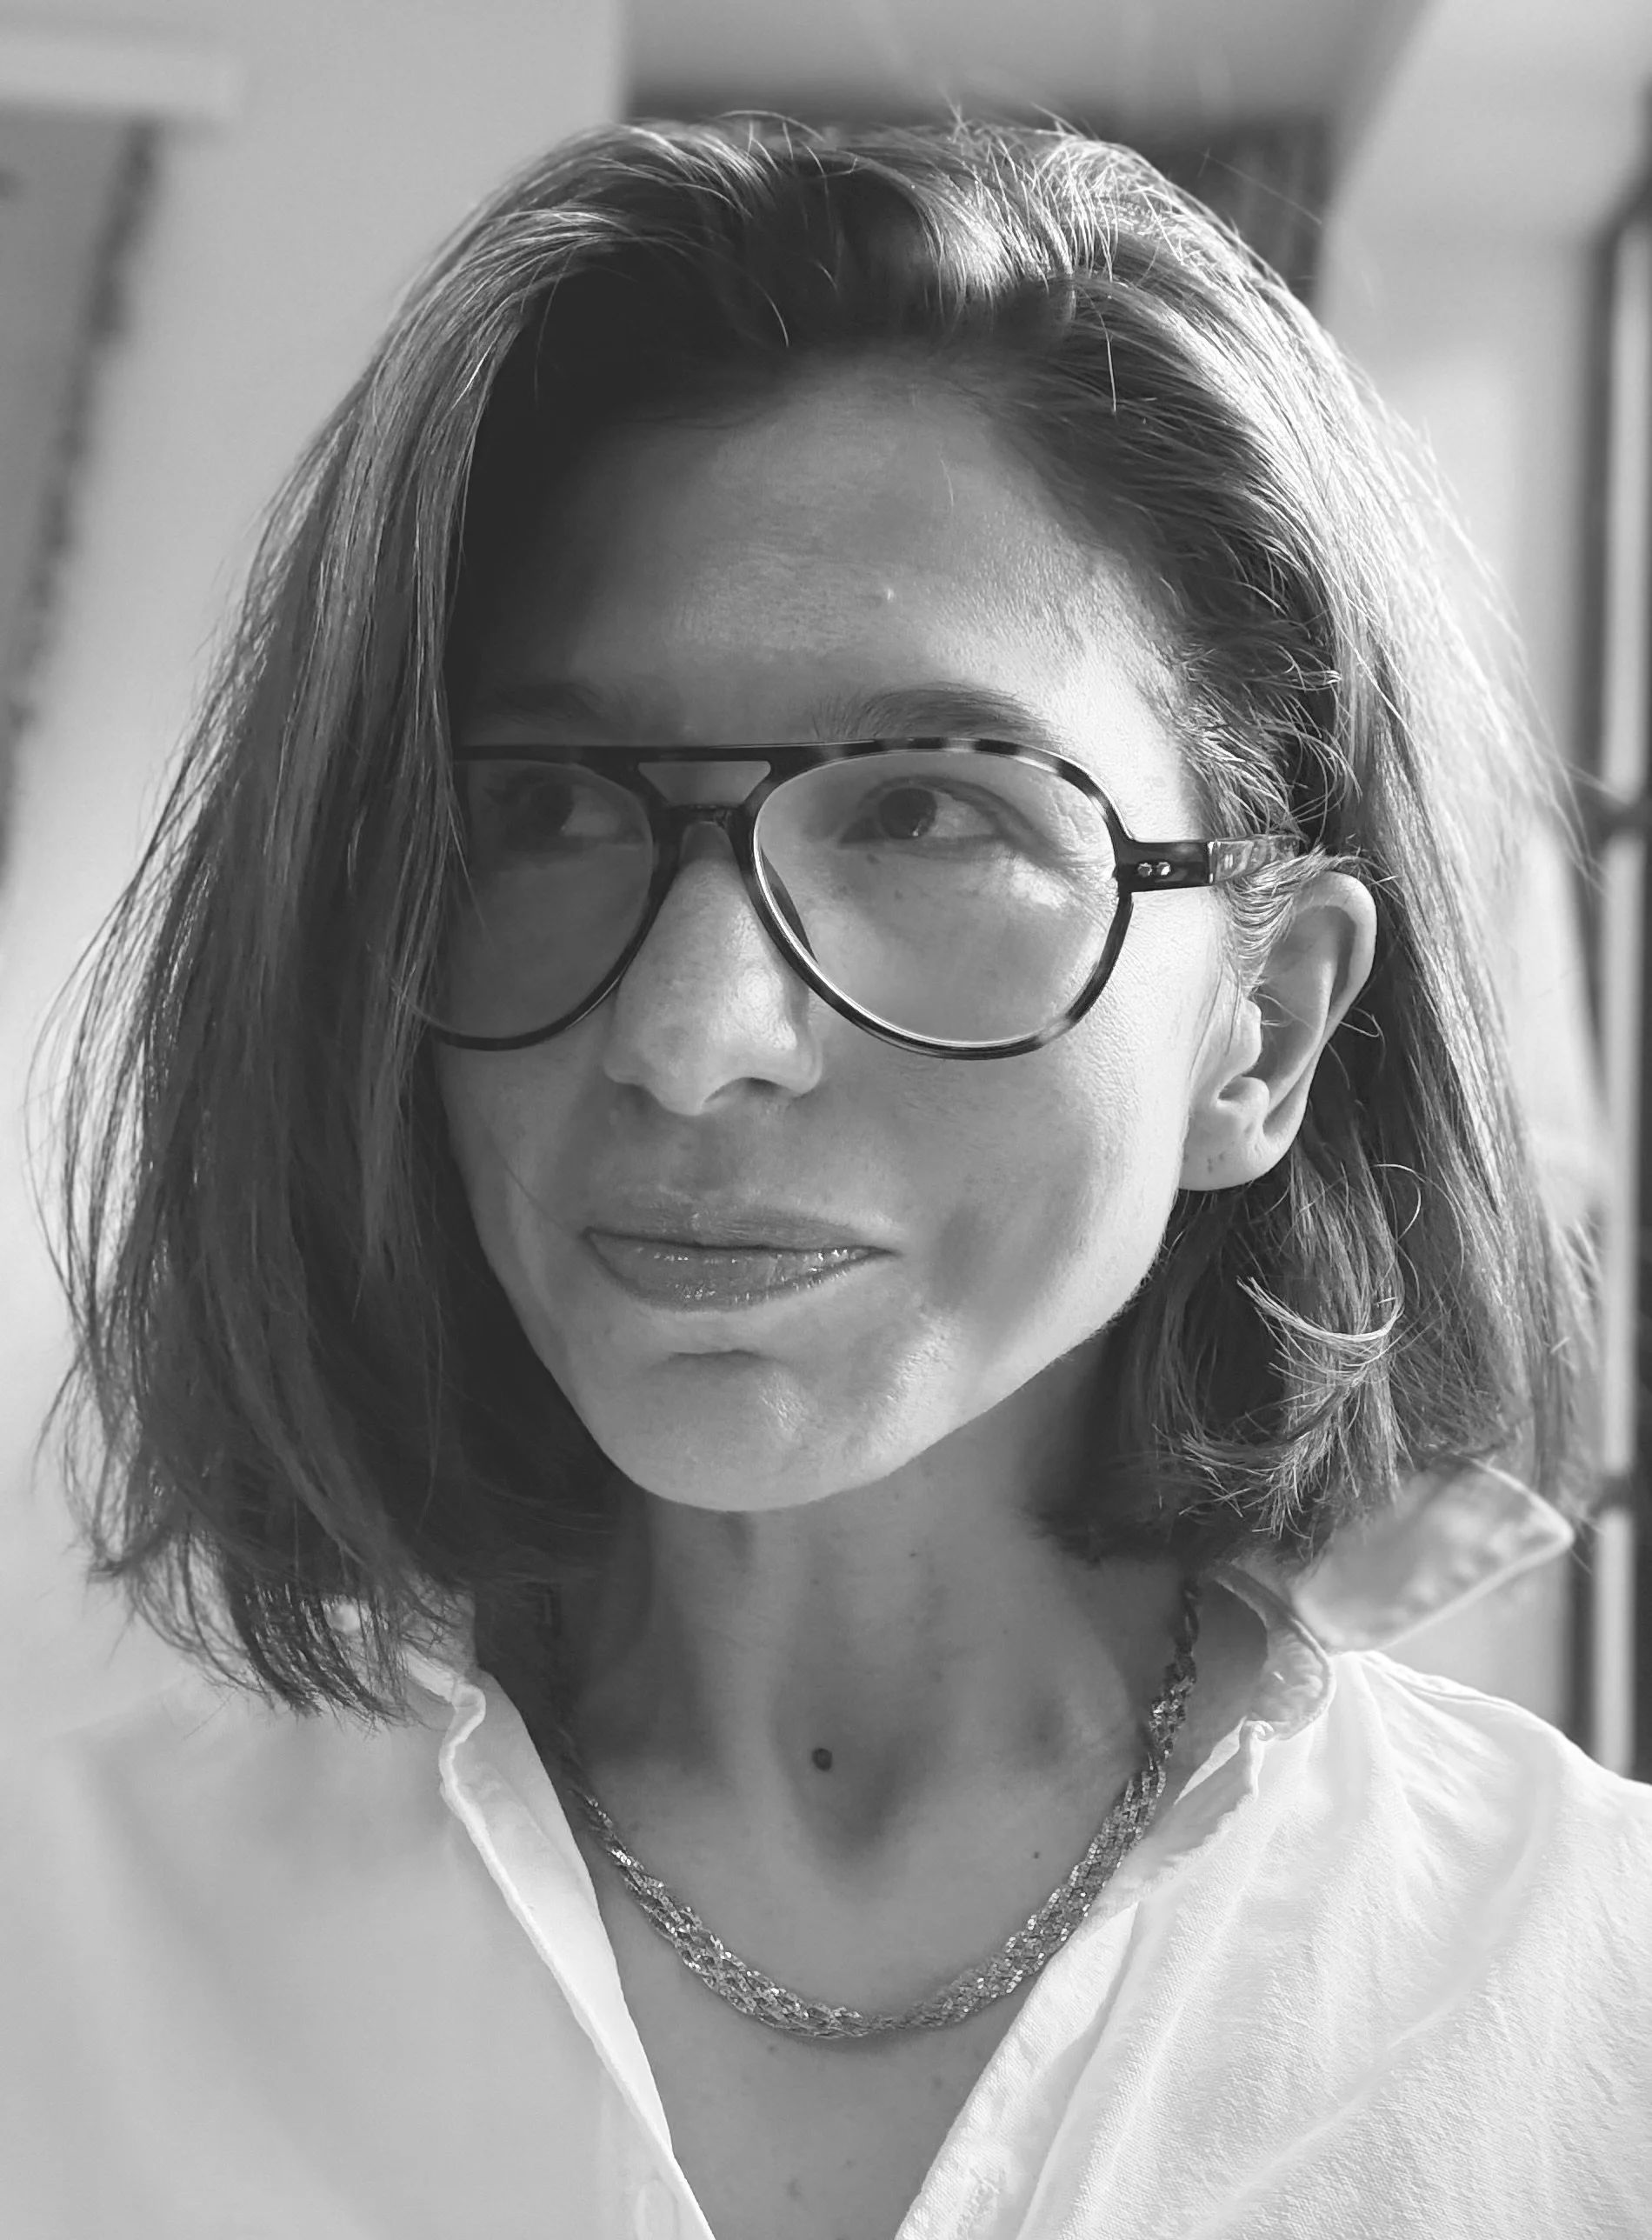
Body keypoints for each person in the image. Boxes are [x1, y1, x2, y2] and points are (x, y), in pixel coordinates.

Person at [3, 118, 1647, 2240]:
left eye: (926, 817)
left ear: (1260, 1025)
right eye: (543, 811)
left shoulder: (1585, 2011)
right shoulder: (60, 1964)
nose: (688, 1034)